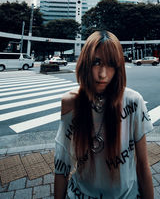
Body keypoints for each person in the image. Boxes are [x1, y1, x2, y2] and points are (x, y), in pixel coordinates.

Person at [54, 31, 154, 199]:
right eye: (96, 62)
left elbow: (143, 165)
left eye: (110, 64)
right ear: (85, 63)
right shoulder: (71, 102)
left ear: (118, 67)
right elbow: (62, 167)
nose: (102, 74)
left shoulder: (133, 102)